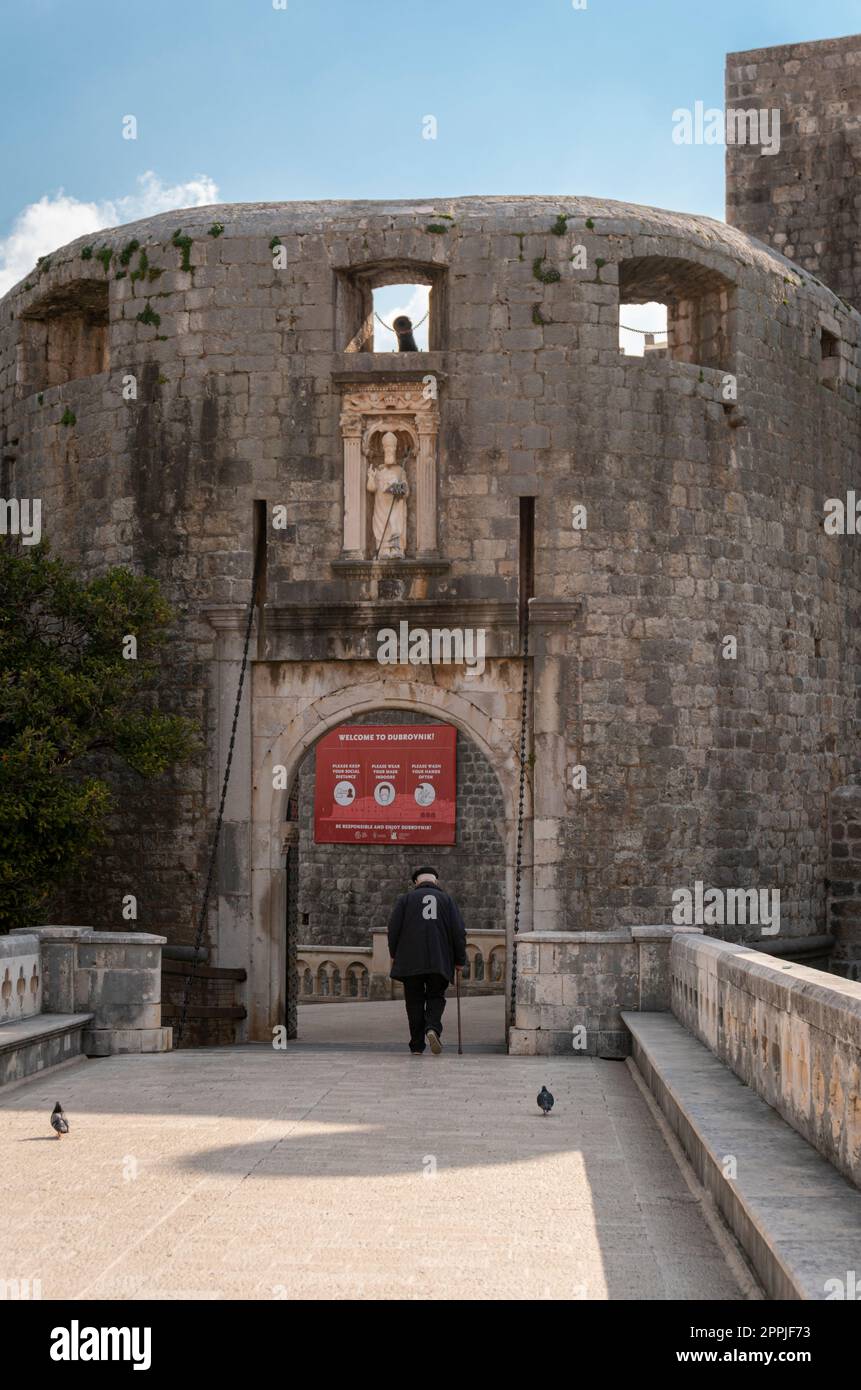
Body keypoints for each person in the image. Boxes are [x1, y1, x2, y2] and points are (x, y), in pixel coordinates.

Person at [387, 866, 467, 1055]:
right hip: (439, 959)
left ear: (416, 882)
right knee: (435, 996)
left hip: (410, 960)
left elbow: (393, 929)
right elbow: (458, 932)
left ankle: (416, 1045)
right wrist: (459, 960)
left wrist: (394, 953)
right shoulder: (447, 901)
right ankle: (432, 1028)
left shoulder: (405, 900)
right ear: (436, 882)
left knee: (414, 1000)